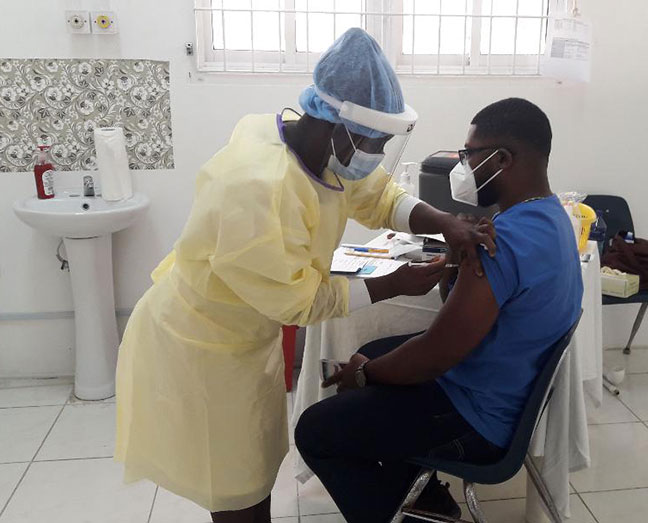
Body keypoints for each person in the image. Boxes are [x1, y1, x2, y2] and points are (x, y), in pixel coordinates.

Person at [114, 28, 495, 523]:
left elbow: (378, 196)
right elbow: (301, 303)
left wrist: (442, 221)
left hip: (247, 341)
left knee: (253, 470)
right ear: (337, 126)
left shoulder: (316, 146)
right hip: (201, 349)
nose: (376, 155)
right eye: (373, 142)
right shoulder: (257, 187)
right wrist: (393, 284)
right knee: (234, 487)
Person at [295, 98, 584, 523]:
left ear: (503, 159)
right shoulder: (551, 219)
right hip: (506, 388)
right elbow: (460, 313)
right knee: (378, 350)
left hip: (477, 416)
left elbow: (438, 352)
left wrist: (362, 375)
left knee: (316, 430)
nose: (462, 167)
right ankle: (426, 497)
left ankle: (405, 512)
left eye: (469, 156)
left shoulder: (503, 242)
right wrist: (453, 257)